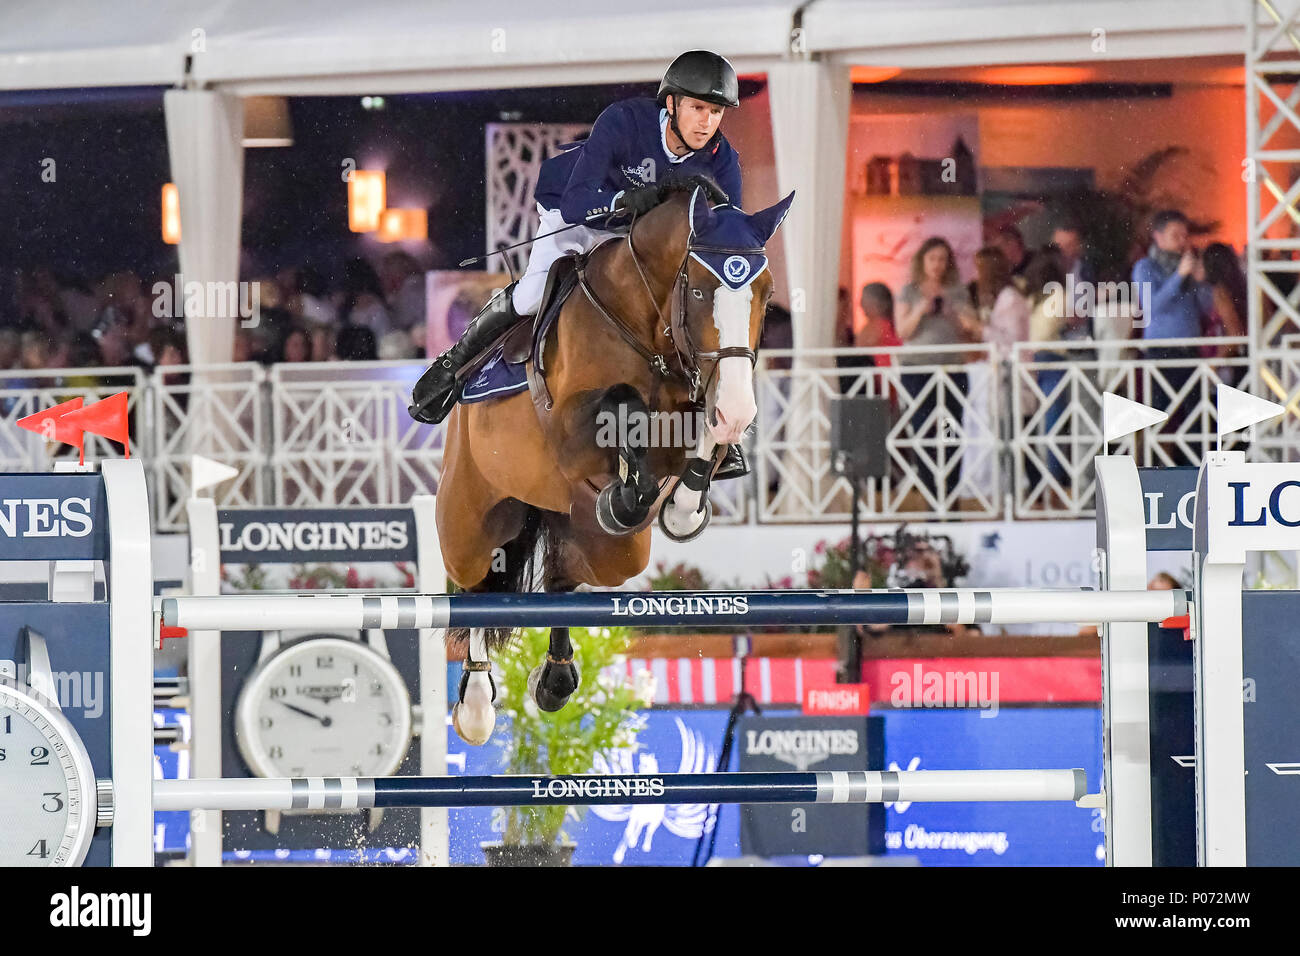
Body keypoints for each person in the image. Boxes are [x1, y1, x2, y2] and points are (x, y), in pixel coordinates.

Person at [409, 51, 750, 479]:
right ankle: (451, 368)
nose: (706, 122)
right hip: (580, 215)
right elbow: (575, 202)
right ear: (672, 105)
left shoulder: (723, 160)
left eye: (715, 111)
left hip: (637, 236)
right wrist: (621, 201)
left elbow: (728, 234)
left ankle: (718, 432)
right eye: (698, 108)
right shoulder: (624, 122)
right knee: (534, 293)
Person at [895, 237, 981, 507]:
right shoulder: (909, 291)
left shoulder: (958, 292)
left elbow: (970, 328)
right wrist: (921, 309)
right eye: (932, 259)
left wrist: (952, 312)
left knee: (952, 432)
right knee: (923, 433)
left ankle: (952, 495)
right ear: (922, 261)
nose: (937, 265)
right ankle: (931, 495)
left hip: (951, 368)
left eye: (942, 259)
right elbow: (902, 331)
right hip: (917, 369)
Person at [1198, 243, 1247, 385]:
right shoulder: (1238, 286)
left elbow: (1235, 334)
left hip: (1232, 364)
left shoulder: (1220, 292)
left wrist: (1214, 363)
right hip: (1243, 359)